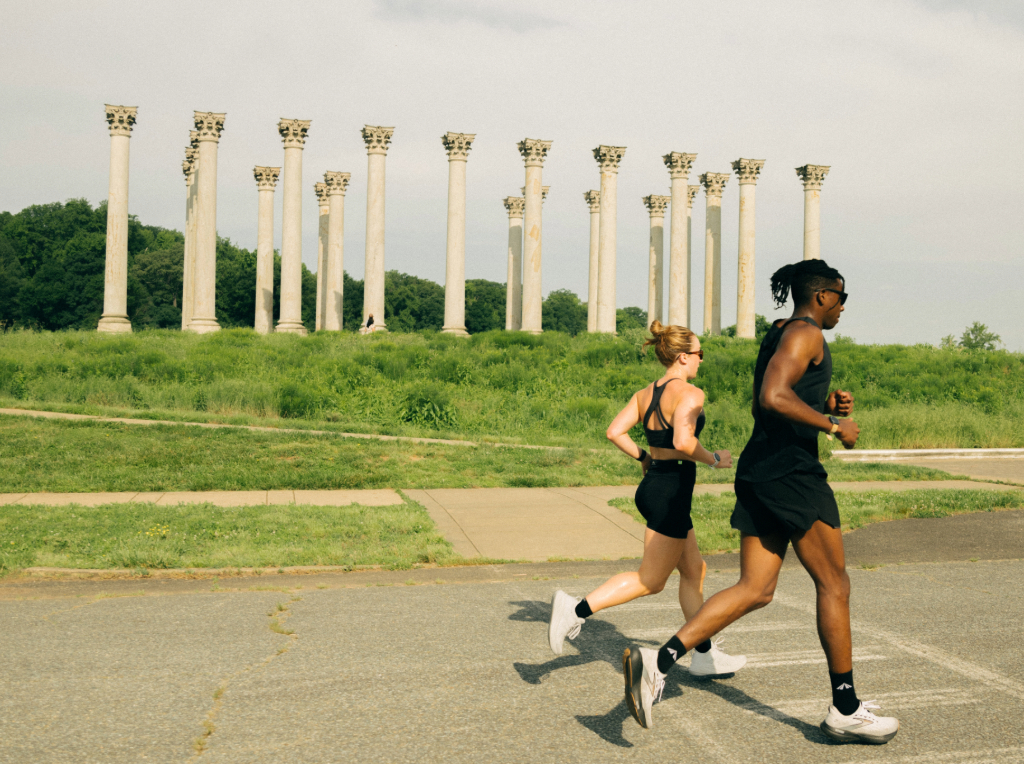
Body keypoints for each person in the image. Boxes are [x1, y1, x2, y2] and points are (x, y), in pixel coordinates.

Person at [620, 260, 899, 744]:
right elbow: (772, 396)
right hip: (792, 475)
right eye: (841, 298)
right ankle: (845, 709)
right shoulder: (806, 334)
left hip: (759, 471)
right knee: (834, 584)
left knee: (756, 588)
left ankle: (657, 662)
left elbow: (771, 401)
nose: (843, 307)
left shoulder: (779, 332)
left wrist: (823, 405)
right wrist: (834, 426)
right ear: (823, 296)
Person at [548, 321, 746, 679]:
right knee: (650, 580)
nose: (701, 359)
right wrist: (714, 458)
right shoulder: (690, 394)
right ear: (683, 357)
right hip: (671, 493)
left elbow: (614, 432)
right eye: (699, 353)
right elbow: (684, 442)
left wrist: (643, 456)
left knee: (694, 570)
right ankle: (574, 610)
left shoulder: (646, 394)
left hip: (656, 486)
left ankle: (704, 655)